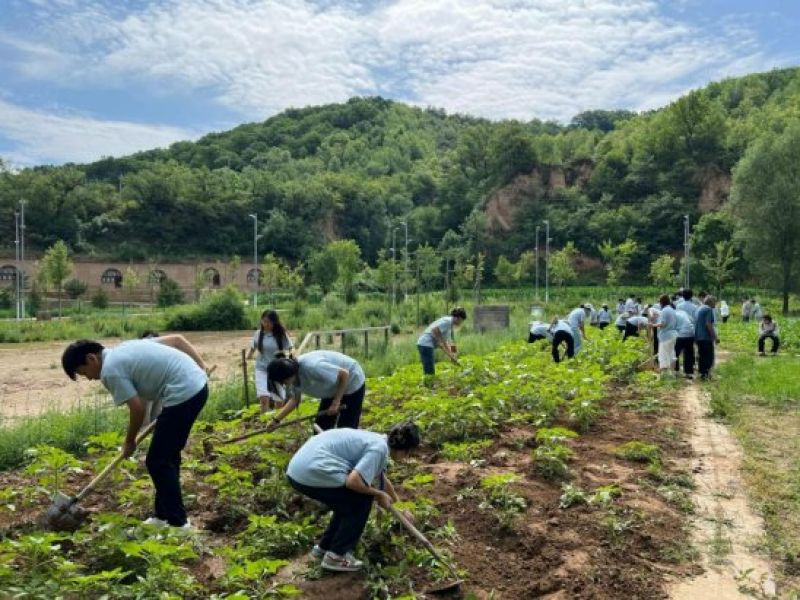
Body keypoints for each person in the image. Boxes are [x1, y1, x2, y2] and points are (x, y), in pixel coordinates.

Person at [61, 336, 212, 528]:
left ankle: (179, 524)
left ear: (91, 359)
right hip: (194, 388)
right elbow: (176, 340)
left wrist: (129, 441)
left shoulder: (110, 370)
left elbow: (137, 409)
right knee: (166, 457)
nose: (89, 378)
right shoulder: (125, 348)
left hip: (184, 394)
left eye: (84, 373)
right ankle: (162, 517)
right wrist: (201, 367)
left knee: (158, 461)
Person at [286, 422, 420, 572]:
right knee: (360, 500)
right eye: (409, 453)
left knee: (346, 501)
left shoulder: (377, 441)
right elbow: (353, 482)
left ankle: (324, 548)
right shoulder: (379, 449)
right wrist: (378, 494)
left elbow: (381, 478)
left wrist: (400, 506)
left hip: (297, 470)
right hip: (310, 471)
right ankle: (336, 556)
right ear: (406, 450)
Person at [267, 350, 366, 431]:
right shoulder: (293, 376)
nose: (284, 384)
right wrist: (276, 420)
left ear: (289, 374)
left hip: (352, 381)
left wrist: (336, 402)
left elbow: (344, 374)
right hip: (332, 388)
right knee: (321, 427)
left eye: (283, 381)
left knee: (346, 429)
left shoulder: (313, 367)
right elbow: (295, 400)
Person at [246, 310, 294, 412]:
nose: (266, 324)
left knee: (279, 400)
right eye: (264, 321)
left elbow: (290, 348)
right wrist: (247, 358)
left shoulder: (281, 334)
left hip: (277, 369)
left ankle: (277, 419)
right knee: (264, 398)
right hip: (261, 368)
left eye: (269, 322)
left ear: (274, 322)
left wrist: (292, 358)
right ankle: (265, 419)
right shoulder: (258, 334)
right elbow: (252, 349)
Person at [416, 307, 466, 378]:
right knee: (429, 372)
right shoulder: (447, 321)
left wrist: (453, 355)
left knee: (430, 371)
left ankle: (429, 383)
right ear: (458, 318)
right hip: (425, 344)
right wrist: (442, 345)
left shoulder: (450, 325)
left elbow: (450, 342)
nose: (461, 323)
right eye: (462, 320)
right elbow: (434, 331)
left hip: (427, 345)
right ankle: (428, 384)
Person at [652, 295, 678, 375]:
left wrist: (652, 325)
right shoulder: (672, 310)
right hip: (673, 335)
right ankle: (672, 373)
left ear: (661, 302)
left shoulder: (664, 310)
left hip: (665, 336)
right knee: (671, 354)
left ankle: (664, 375)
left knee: (663, 355)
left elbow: (663, 324)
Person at [695, 296, 720, 380]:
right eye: (715, 302)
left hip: (698, 336)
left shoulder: (699, 309)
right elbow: (708, 324)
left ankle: (702, 374)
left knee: (702, 356)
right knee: (708, 357)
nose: (715, 304)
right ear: (710, 302)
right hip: (706, 337)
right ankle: (707, 374)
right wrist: (715, 337)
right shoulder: (708, 309)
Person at [674, 310, 695, 378]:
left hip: (680, 335)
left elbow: (672, 326)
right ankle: (688, 373)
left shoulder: (673, 314)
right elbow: (692, 321)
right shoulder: (684, 312)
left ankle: (676, 371)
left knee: (675, 354)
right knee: (689, 354)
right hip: (690, 334)